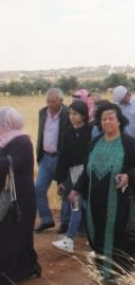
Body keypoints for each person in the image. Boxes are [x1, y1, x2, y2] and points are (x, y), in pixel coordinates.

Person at [71, 102, 135, 282]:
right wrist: (76, 189)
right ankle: (104, 274)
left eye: (111, 118)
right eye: (103, 119)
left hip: (121, 204)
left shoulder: (130, 144)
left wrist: (128, 176)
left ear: (119, 120)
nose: (107, 122)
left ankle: (123, 276)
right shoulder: (95, 143)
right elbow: (87, 171)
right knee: (97, 236)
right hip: (95, 204)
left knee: (120, 240)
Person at [0, 107, 41, 284]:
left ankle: (13, 274)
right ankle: (26, 268)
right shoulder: (5, 140)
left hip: (20, 198)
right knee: (13, 234)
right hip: (10, 195)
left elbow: (7, 166)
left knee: (15, 235)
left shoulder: (22, 142)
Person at [52, 100, 92, 254]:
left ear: (83, 115)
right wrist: (61, 179)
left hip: (88, 172)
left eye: (75, 114)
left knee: (89, 207)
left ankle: (92, 237)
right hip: (72, 174)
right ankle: (70, 239)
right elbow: (63, 157)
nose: (71, 116)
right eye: (70, 113)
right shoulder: (67, 132)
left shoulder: (91, 131)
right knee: (75, 205)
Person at [35, 88, 71, 233]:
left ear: (61, 101)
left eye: (53, 101)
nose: (50, 104)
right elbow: (40, 134)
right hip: (45, 158)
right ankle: (47, 220)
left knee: (64, 191)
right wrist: (39, 155)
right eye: (48, 101)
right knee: (38, 189)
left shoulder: (68, 114)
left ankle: (65, 222)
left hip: (61, 159)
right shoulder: (42, 112)